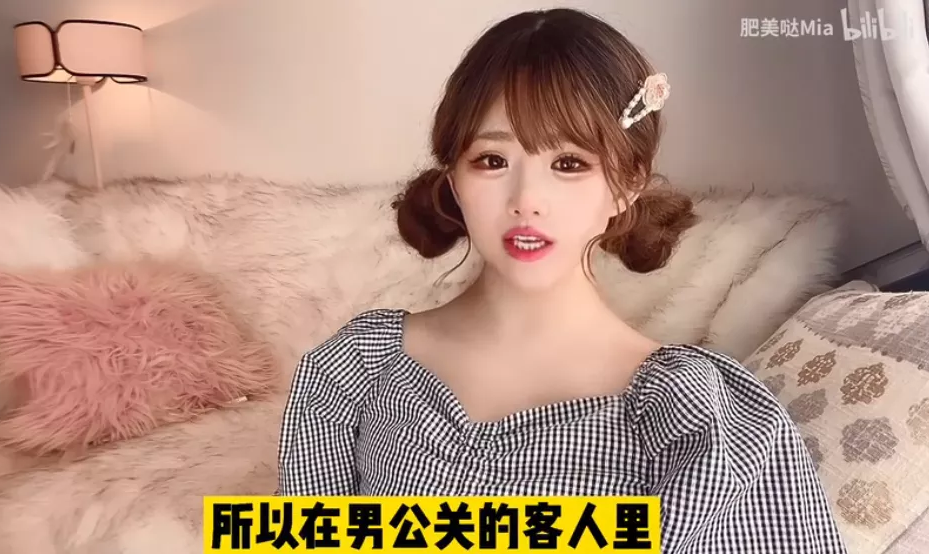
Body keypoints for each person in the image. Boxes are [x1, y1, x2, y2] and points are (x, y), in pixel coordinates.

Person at [278, 7, 847, 553]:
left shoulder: (700, 413)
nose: (527, 200)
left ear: (627, 184)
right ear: (453, 178)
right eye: (492, 160)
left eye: (569, 163)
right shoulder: (353, 371)